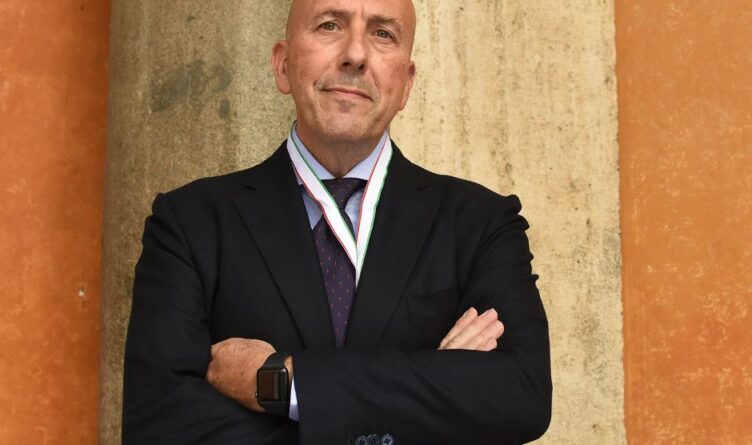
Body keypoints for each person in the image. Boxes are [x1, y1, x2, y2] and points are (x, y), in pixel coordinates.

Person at [122, 0, 552, 443]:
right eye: (330, 25)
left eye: (383, 34)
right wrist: (434, 391)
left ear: (406, 85)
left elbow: (521, 395)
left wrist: (284, 384)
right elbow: (158, 425)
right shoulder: (190, 224)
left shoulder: (481, 224)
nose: (356, 54)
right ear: (283, 66)